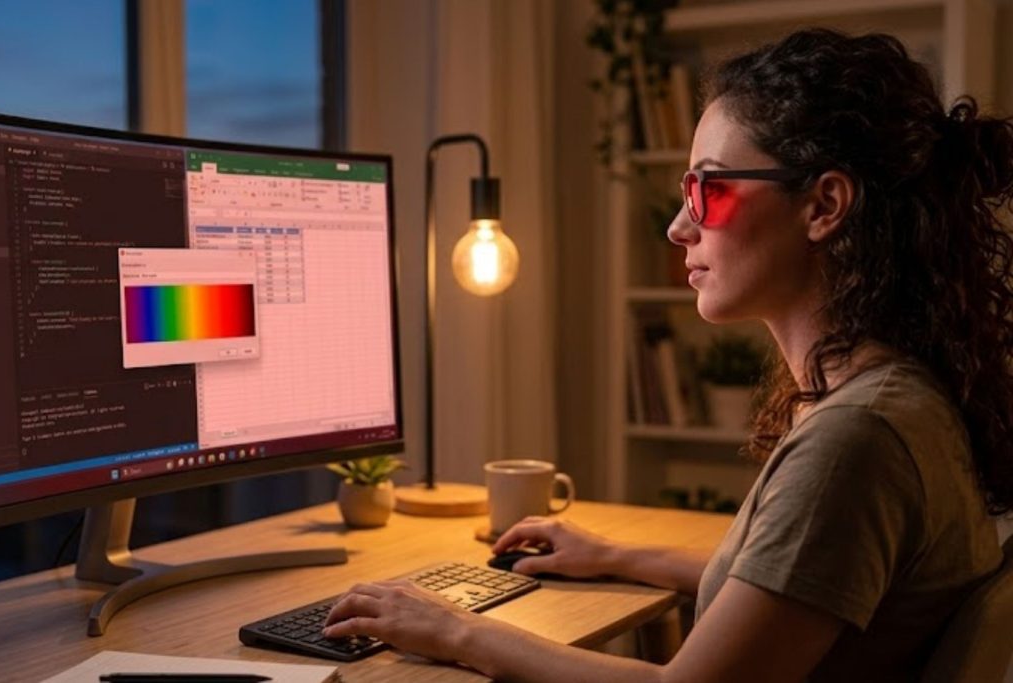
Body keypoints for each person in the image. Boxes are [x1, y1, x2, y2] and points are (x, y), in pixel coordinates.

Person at [322, 28, 1013, 681]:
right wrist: (620, 555)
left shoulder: (857, 437)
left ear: (824, 205)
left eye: (707, 188)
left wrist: (451, 629)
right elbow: (798, 578)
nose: (678, 225)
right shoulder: (898, 393)